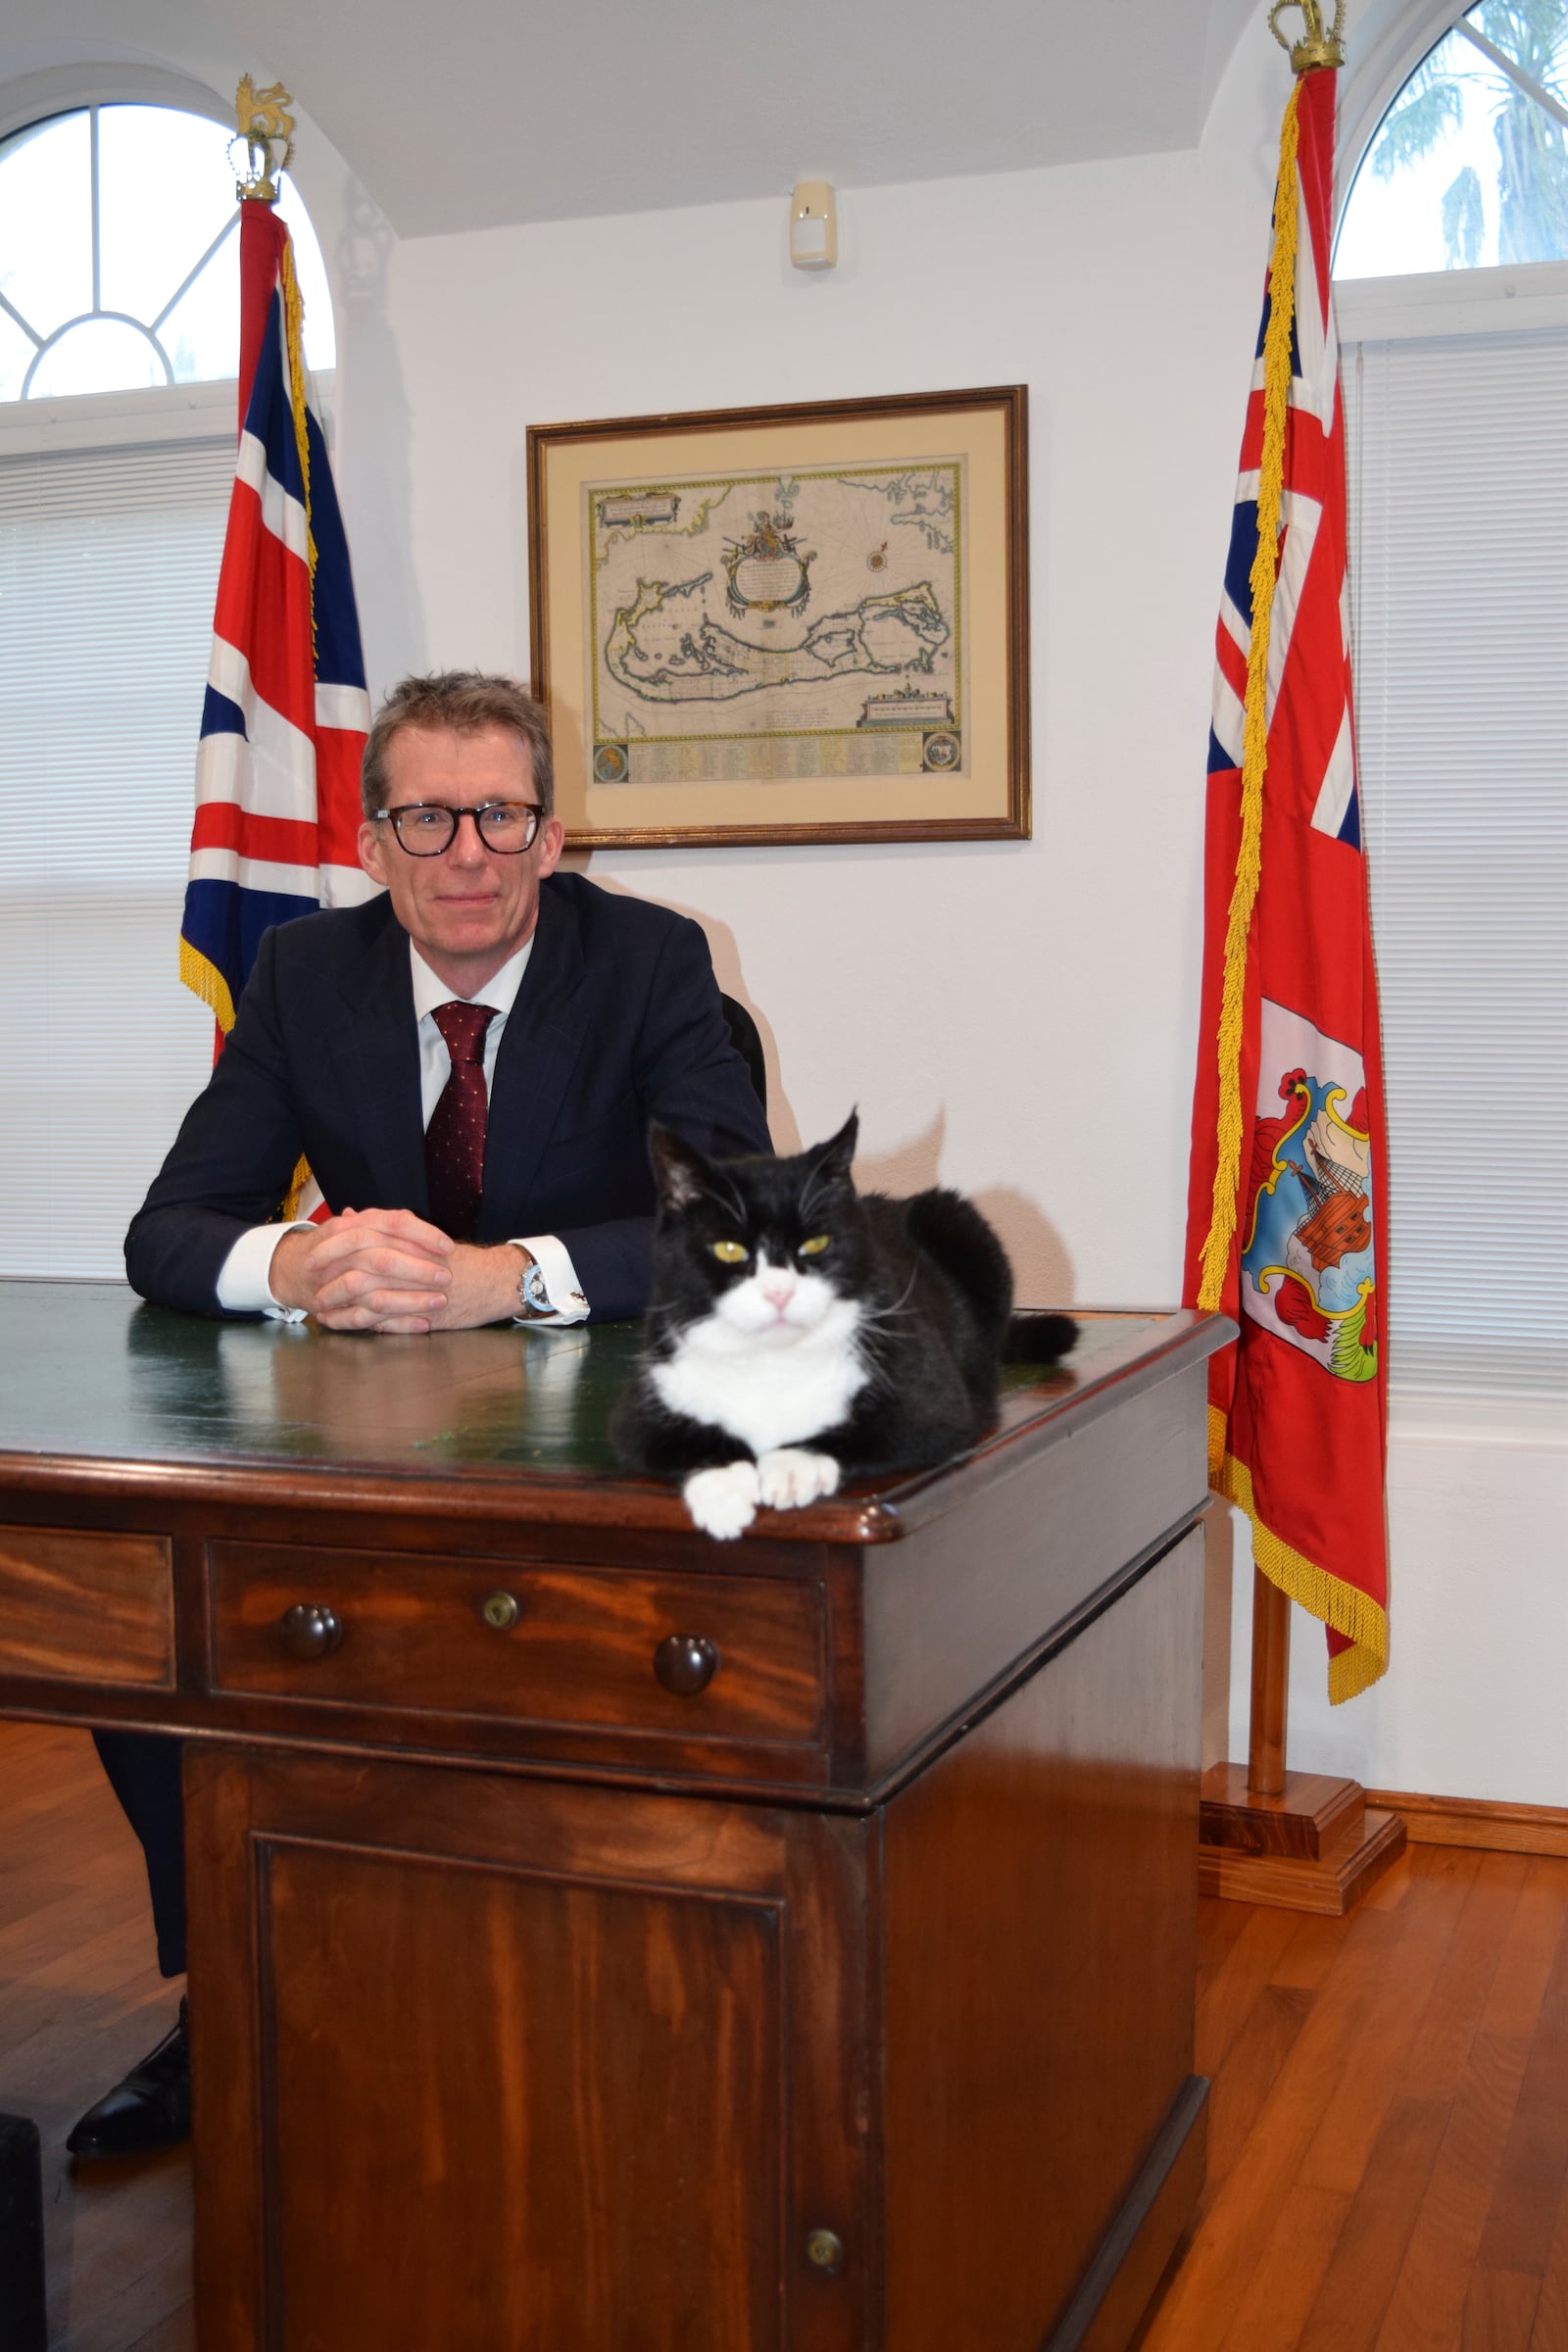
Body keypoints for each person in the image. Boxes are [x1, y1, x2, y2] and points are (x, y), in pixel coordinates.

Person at [70, 670, 770, 2160]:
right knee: (152, 1642)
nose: (466, 853)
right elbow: (168, 1229)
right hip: (366, 1447)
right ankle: (234, 2000)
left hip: (595, 1455)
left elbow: (734, 1228)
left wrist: (506, 1279)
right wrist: (298, 1259)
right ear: (374, 841)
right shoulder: (307, 976)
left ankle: (561, 2003)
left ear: (552, 836)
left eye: (500, 816)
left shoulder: (653, 965)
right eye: (426, 817)